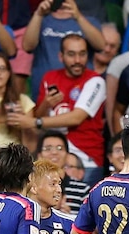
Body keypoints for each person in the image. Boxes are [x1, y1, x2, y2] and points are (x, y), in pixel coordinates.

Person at [8, 34, 106, 186]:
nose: (77, 60)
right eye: (71, 54)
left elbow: (76, 117)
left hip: (86, 158)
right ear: (61, 56)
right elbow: (39, 117)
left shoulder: (96, 81)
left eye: (82, 54)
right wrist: (46, 104)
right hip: (52, 158)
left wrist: (34, 121)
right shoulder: (50, 77)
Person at [22, 0, 105, 100]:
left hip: (80, 93)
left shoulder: (89, 21)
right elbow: (27, 46)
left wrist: (78, 17)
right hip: (46, 93)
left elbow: (100, 46)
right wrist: (38, 14)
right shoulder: (40, 20)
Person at [36, 131, 90, 214]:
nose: (54, 153)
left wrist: (69, 218)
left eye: (60, 148)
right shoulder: (32, 188)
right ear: (39, 155)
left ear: (67, 155)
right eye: (48, 148)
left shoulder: (83, 189)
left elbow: (89, 223)